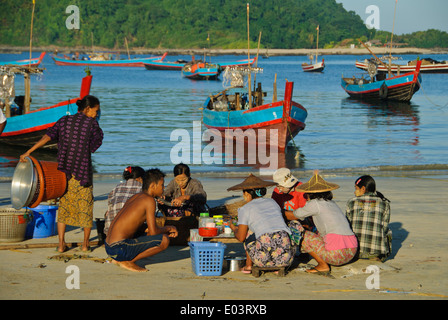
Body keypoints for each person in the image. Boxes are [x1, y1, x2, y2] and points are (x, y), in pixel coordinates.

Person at [20, 95, 103, 253]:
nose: (96, 114)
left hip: (63, 174)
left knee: (64, 208)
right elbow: (98, 139)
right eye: (96, 110)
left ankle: (60, 245)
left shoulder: (63, 121)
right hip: (83, 173)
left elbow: (47, 136)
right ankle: (85, 245)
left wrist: (29, 151)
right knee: (85, 207)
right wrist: (88, 146)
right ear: (87, 109)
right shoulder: (92, 124)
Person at [105, 169, 178, 272]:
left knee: (148, 231)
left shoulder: (136, 196)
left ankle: (121, 259)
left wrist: (155, 229)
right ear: (152, 186)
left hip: (109, 247)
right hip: (119, 248)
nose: (163, 188)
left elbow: (139, 226)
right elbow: (154, 232)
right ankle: (129, 262)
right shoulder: (149, 200)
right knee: (164, 240)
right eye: (162, 185)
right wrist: (169, 228)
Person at [292, 171, 358, 275]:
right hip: (352, 252)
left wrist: (281, 213)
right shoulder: (331, 203)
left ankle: (322, 265)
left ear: (310, 194)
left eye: (306, 195)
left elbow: (296, 214)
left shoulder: (315, 203)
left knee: (301, 234)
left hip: (336, 255)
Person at [227, 174, 296, 273]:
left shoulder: (244, 209)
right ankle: (277, 266)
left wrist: (233, 228)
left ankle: (248, 266)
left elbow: (241, 237)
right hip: (286, 259)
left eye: (244, 193)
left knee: (248, 233)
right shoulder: (272, 202)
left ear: (247, 194)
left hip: (263, 261)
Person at [345, 175, 392, 262]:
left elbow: (347, 225)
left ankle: (357, 254)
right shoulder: (384, 203)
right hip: (375, 251)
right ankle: (376, 255)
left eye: (356, 188)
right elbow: (385, 228)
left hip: (354, 250)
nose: (354, 192)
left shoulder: (351, 202)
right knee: (388, 231)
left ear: (363, 188)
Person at [104, 166, 145, 235]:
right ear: (140, 179)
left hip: (109, 232)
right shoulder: (142, 188)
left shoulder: (118, 187)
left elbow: (110, 205)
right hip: (128, 232)